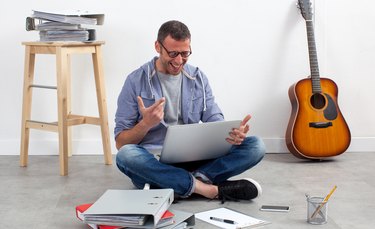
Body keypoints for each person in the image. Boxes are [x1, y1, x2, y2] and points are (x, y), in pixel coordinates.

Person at [114, 20, 265, 203]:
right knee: (126, 156)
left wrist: (231, 134)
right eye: (173, 53)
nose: (179, 61)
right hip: (154, 162)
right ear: (157, 47)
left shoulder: (198, 78)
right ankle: (207, 188)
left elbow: (214, 118)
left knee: (256, 145)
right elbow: (121, 143)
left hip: (195, 159)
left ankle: (182, 184)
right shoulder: (135, 81)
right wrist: (146, 124)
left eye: (185, 53)